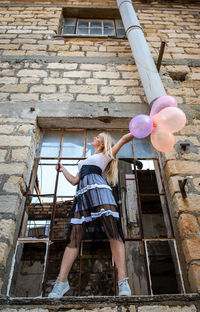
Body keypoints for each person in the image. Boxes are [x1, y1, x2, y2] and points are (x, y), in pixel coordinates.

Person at [48, 132, 134, 298]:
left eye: (98, 136)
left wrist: (145, 126)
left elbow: (123, 139)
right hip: (83, 196)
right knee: (74, 236)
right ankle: (61, 282)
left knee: (113, 232)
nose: (95, 137)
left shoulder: (107, 154)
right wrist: (62, 169)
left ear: (102, 143)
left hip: (101, 193)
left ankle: (123, 280)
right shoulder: (83, 162)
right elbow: (74, 181)